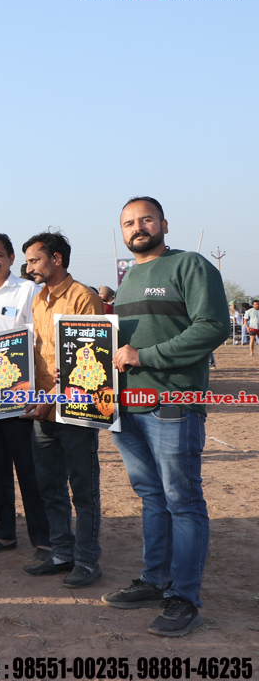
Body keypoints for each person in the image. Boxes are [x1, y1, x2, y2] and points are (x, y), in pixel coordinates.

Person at [103, 196, 229, 637]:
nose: (137, 228)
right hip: (127, 407)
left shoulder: (190, 265)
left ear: (164, 224)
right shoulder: (129, 278)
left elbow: (213, 326)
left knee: (183, 501)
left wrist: (146, 356)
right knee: (152, 497)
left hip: (172, 402)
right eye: (129, 223)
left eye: (146, 220)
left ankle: (185, 598)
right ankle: (155, 580)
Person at [20, 232, 104, 588]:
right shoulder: (38, 299)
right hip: (43, 411)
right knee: (49, 487)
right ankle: (61, 553)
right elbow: (36, 355)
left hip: (76, 410)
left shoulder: (84, 298)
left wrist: (49, 398)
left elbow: (89, 359)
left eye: (34, 260)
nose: (29, 268)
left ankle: (87, 560)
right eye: (27, 261)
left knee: (83, 490)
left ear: (56, 259)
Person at [0, 233, 51, 557]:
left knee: (30, 470)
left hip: (20, 397)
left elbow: (41, 340)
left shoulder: (28, 290)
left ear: (11, 258)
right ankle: (4, 533)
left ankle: (42, 538)